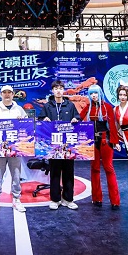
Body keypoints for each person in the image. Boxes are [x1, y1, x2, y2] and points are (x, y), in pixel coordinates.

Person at [38, 80, 81, 210]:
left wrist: (76, 119)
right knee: (55, 172)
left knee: (69, 172)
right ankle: (55, 199)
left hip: (68, 144)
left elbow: (78, 119)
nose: (58, 90)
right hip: (53, 145)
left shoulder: (70, 105)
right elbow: (40, 120)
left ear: (63, 90)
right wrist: (44, 119)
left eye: (60, 88)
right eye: (56, 88)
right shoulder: (48, 106)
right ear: (52, 91)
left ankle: (68, 199)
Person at [79, 84, 120, 210]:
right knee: (94, 168)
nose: (93, 95)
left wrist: (115, 142)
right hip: (92, 141)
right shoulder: (88, 108)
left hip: (105, 140)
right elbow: (78, 118)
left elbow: (112, 125)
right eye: (91, 93)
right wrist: (74, 120)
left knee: (109, 168)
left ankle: (115, 201)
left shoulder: (107, 107)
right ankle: (96, 198)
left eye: (95, 93)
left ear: (100, 93)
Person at [0, 85, 27, 213]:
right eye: (4, 92)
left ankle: (16, 199)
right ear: (1, 94)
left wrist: (22, 121)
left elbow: (26, 126)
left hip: (15, 147)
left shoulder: (19, 109)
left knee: (16, 173)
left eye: (9, 92)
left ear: (13, 94)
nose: (7, 94)